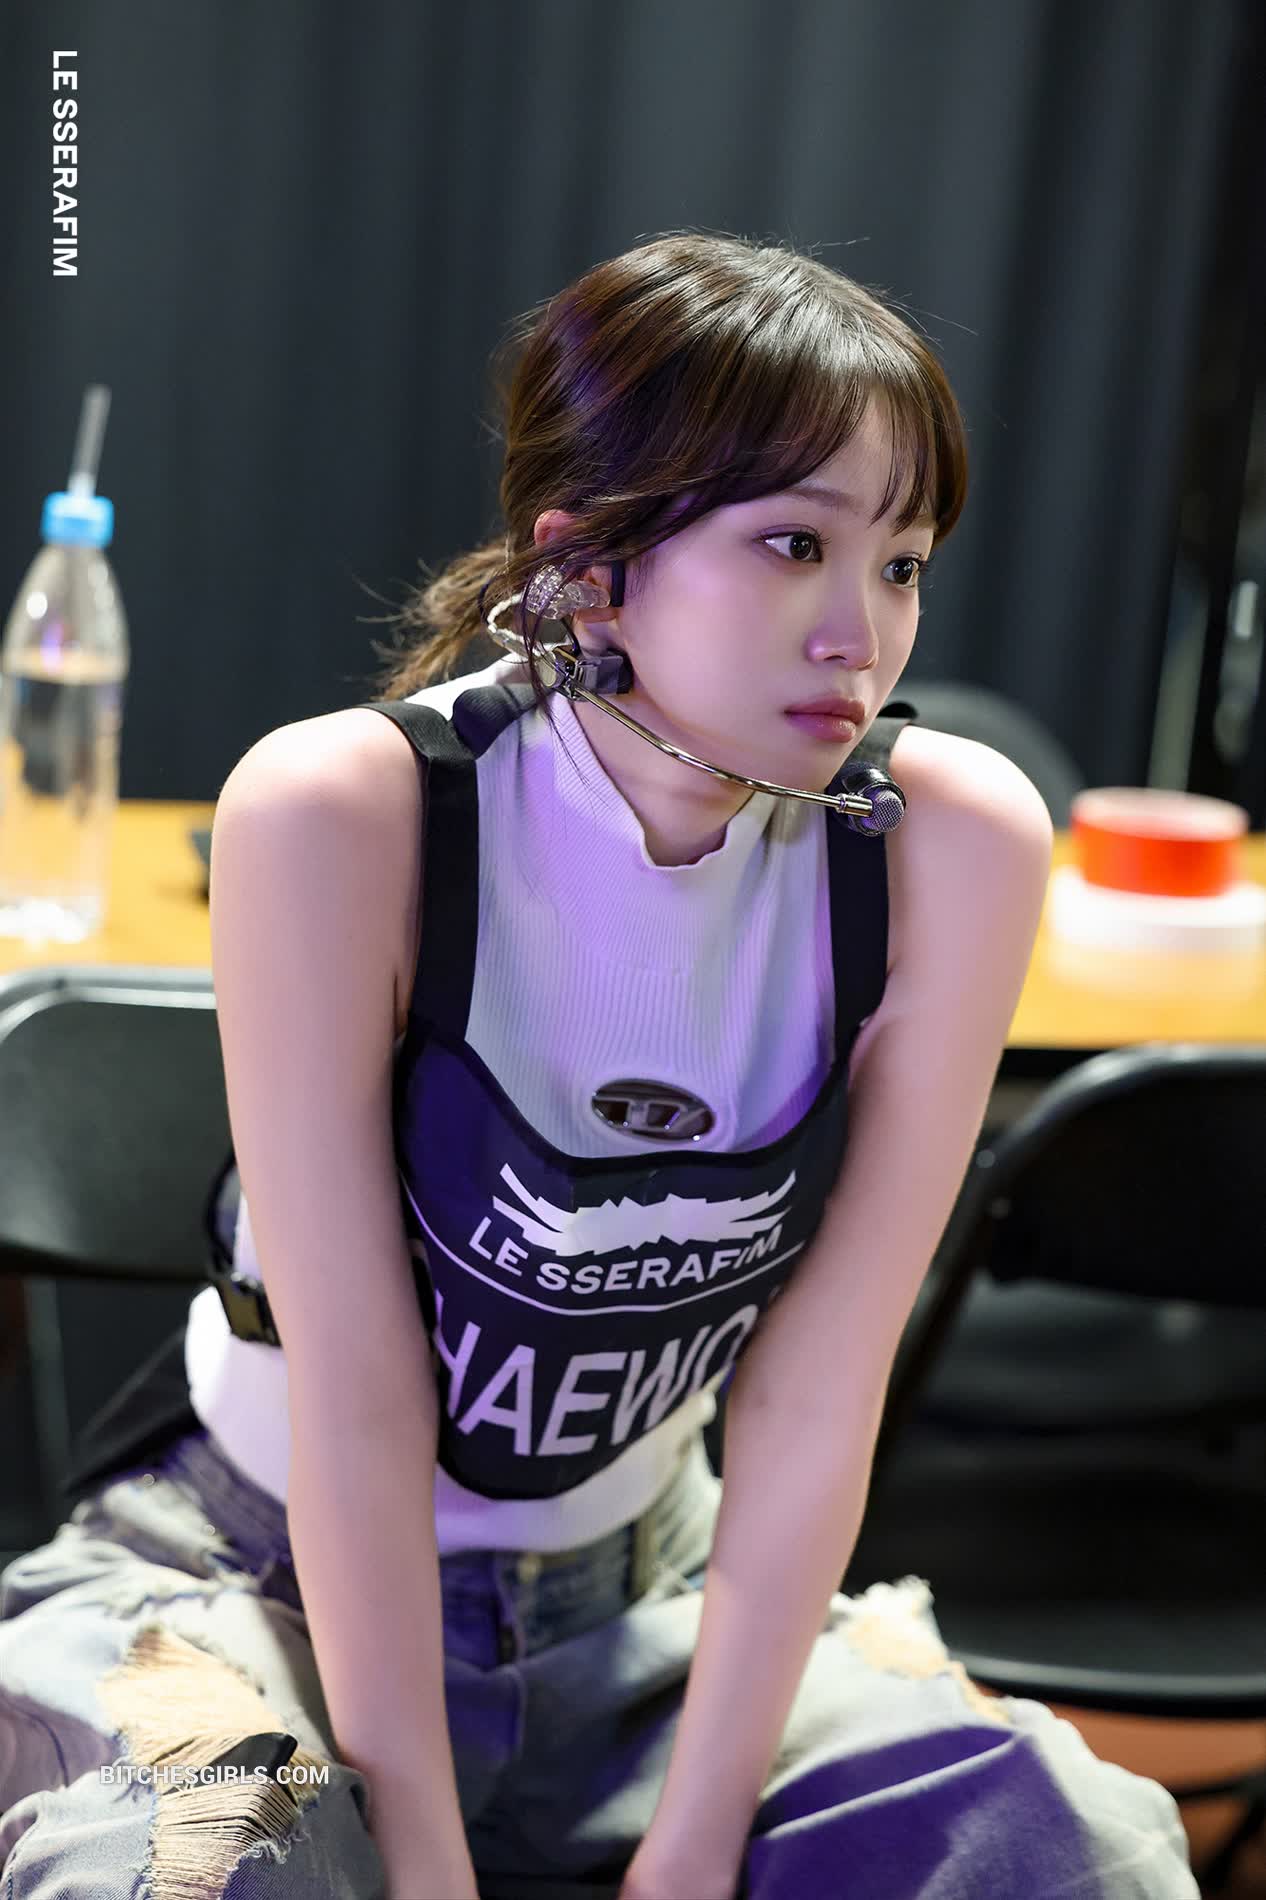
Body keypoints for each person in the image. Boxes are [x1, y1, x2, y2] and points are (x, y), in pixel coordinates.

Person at [0, 231, 1199, 1900]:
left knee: (1082, 1855)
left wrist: (693, 1850)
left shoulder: (945, 841)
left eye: (903, 564)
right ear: (585, 565)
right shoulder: (352, 812)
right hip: (255, 1582)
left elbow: (816, 1385)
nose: (859, 634)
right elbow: (359, 1393)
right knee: (190, 1876)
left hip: (656, 1598)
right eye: (794, 544)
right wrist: (423, 1863)